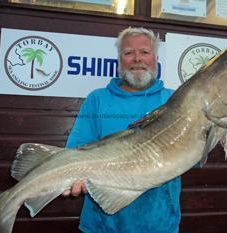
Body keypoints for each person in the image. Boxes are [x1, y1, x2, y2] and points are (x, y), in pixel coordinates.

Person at [64, 27, 181, 233]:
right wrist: (73, 178)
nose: (137, 58)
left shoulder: (174, 101)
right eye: (129, 53)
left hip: (160, 225)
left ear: (155, 58)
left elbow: (194, 156)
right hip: (100, 225)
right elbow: (75, 152)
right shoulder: (97, 99)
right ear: (120, 59)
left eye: (144, 52)